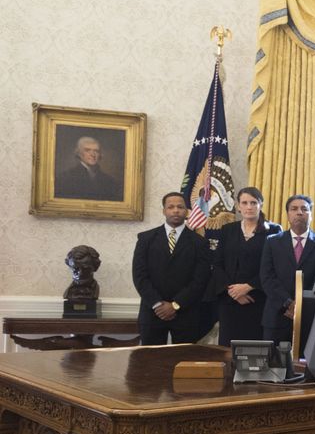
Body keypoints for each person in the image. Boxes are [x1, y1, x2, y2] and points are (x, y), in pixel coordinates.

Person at [132, 192, 211, 345]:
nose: (176, 210)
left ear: (187, 211)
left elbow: (200, 279)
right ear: (164, 211)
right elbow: (139, 276)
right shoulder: (145, 239)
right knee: (150, 363)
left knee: (184, 363)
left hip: (186, 313)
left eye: (180, 207)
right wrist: (157, 304)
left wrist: (175, 305)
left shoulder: (199, 243)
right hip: (152, 311)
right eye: (171, 207)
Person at [211, 187, 280, 346]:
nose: (249, 207)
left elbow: (275, 267)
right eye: (245, 203)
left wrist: (249, 286)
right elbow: (218, 263)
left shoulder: (274, 231)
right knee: (229, 352)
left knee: (256, 351)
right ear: (238, 206)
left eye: (253, 202)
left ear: (260, 205)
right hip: (230, 301)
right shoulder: (228, 230)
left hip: (258, 300)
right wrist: (233, 291)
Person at [259, 194, 315, 343]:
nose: (299, 212)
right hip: (277, 315)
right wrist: (288, 303)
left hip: (310, 316)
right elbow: (267, 277)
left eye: (304, 209)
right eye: (294, 209)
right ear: (287, 214)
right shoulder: (272, 242)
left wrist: (303, 305)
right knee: (274, 363)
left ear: (310, 215)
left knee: (304, 365)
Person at [56, 135, 121, 201]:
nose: (92, 154)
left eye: (96, 151)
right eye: (87, 150)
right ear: (78, 153)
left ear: (100, 154)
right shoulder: (65, 177)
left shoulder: (110, 181)